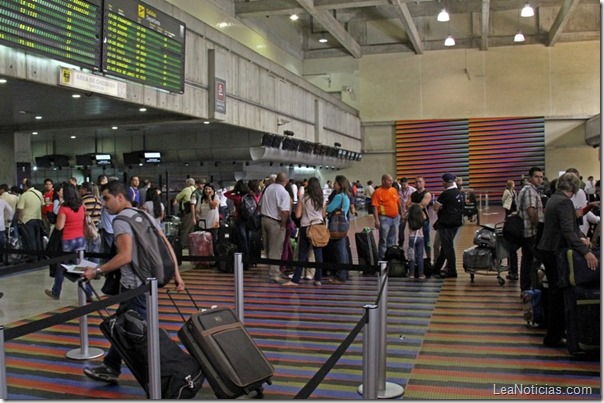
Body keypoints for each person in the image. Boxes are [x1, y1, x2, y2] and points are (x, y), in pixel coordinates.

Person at [82, 180, 185, 384]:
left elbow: (125, 256)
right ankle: (111, 366)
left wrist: (96, 271)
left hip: (134, 286)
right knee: (125, 325)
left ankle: (172, 375)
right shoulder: (144, 215)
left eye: (107, 198)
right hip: (149, 283)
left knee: (139, 333)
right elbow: (165, 244)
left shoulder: (121, 220)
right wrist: (176, 274)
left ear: (120, 197)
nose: (104, 203)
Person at [537, 173, 599, 348]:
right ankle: (554, 336)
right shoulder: (564, 202)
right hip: (556, 251)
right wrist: (586, 251)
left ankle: (553, 333)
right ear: (574, 187)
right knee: (558, 293)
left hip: (547, 248)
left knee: (553, 292)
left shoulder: (553, 199)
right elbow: (567, 230)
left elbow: (567, 226)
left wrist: (580, 238)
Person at [45, 184, 91, 300]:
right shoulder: (81, 206)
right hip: (80, 239)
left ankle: (56, 292)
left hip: (68, 240)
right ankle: (89, 293)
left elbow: (59, 227)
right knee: (81, 266)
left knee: (62, 266)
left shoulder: (64, 208)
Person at [283, 177, 325, 287]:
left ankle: (295, 280)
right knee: (318, 254)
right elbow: (324, 215)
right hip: (319, 226)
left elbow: (297, 215)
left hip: (306, 226)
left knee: (302, 254)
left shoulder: (303, 197)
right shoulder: (322, 198)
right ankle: (318, 279)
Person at [516, 167, 545, 292]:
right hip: (530, 232)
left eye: (541, 177)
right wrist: (538, 226)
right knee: (530, 261)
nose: (539, 179)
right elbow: (531, 211)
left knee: (527, 260)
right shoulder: (529, 191)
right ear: (530, 178)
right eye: (536, 176)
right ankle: (528, 287)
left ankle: (526, 287)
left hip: (528, 231)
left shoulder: (531, 190)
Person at [259, 172, 291, 284]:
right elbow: (284, 211)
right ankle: (274, 274)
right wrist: (283, 225)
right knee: (276, 249)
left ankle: (273, 270)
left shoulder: (268, 188)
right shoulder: (283, 192)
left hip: (264, 219)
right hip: (275, 221)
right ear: (286, 181)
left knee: (268, 248)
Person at [433, 173, 464, 278]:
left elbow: (435, 207)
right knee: (446, 247)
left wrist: (442, 208)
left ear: (446, 182)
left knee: (448, 247)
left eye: (443, 181)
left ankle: (452, 270)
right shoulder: (459, 193)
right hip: (456, 223)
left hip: (446, 224)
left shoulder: (446, 194)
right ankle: (437, 268)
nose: (442, 183)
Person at [325, 175, 352, 284]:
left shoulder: (338, 196)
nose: (333, 185)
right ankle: (344, 273)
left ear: (340, 185)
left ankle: (341, 276)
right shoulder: (346, 196)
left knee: (339, 250)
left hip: (336, 225)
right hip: (343, 224)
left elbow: (329, 209)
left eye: (335, 183)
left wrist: (326, 205)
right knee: (343, 250)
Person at [371, 174, 402, 260]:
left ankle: (391, 259)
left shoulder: (394, 190)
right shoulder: (377, 192)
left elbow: (398, 203)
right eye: (389, 180)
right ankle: (382, 260)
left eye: (391, 180)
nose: (391, 182)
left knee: (392, 240)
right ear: (383, 181)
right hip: (384, 219)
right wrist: (376, 220)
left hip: (395, 218)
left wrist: (401, 214)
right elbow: (375, 207)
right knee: (383, 240)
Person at [16, 179, 44, 262]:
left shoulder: (24, 195)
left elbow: (20, 209)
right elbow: (42, 205)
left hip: (27, 220)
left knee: (30, 239)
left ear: (25, 186)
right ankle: (40, 256)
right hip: (38, 219)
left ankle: (33, 257)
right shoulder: (39, 193)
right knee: (38, 239)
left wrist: (19, 219)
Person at [408, 176, 432, 266]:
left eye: (420, 182)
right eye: (416, 182)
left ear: (423, 183)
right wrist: (415, 205)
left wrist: (413, 205)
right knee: (413, 239)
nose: (418, 183)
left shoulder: (427, 194)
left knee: (426, 240)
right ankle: (413, 260)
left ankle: (428, 258)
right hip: (413, 220)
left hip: (424, 221)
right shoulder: (413, 194)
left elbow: (422, 205)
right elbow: (407, 205)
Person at [175, 178, 196, 249]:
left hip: (188, 211)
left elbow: (178, 197)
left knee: (185, 228)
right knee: (191, 229)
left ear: (188, 183)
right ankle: (191, 244)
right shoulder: (196, 190)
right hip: (195, 211)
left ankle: (183, 244)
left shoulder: (186, 189)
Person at [398, 177, 416, 248]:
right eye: (402, 185)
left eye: (404, 185)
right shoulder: (398, 191)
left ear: (408, 183)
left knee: (412, 229)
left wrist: (407, 211)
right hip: (402, 213)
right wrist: (402, 213)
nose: (403, 186)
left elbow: (414, 202)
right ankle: (400, 244)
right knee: (401, 229)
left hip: (410, 213)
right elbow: (398, 203)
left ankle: (412, 245)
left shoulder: (413, 191)